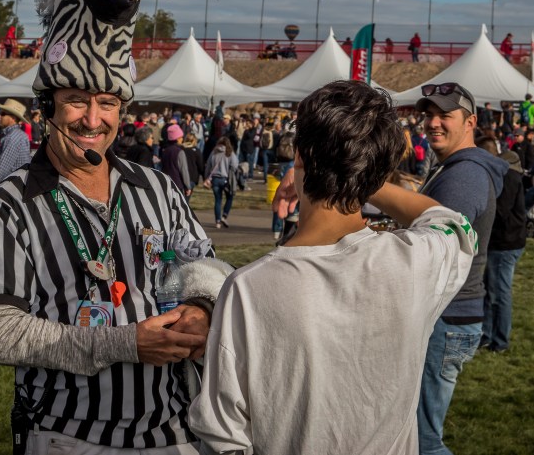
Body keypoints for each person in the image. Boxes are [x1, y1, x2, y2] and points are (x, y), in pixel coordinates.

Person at [0, 0, 227, 453]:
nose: (93, 119)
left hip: (172, 435)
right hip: (69, 436)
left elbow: (204, 262)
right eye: (77, 101)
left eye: (108, 103)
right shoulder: (9, 205)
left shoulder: (157, 187)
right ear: (48, 108)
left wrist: (200, 307)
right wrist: (125, 343)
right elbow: (2, 334)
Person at [190, 80, 477, 454]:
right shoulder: (415, 262)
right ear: (377, 172)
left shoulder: (247, 289)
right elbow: (452, 222)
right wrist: (363, 175)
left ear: (300, 157)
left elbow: (223, 434)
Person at [415, 81, 507, 455]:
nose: (433, 122)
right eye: (429, 114)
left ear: (470, 122)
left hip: (447, 316)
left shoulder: (464, 174)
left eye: (445, 115)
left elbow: (434, 248)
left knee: (422, 441)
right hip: (450, 315)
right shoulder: (454, 168)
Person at [478, 140, 526, 354]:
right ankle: (487, 336)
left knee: (499, 293)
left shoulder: (507, 176)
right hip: (503, 240)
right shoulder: (506, 174)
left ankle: (500, 340)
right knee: (491, 291)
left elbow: (500, 211)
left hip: (505, 242)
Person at [0, 98, 33, 182]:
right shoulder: (18, 135)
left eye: (2, 114)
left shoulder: (12, 137)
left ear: (13, 118)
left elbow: (1, 172)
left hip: (11, 185)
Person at [204, 136, 238, 229]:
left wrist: (206, 177)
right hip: (226, 179)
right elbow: (235, 166)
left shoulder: (214, 152)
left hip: (215, 179)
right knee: (230, 197)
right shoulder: (230, 153)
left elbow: (208, 165)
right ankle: (224, 215)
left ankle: (217, 221)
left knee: (218, 200)